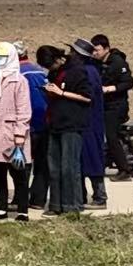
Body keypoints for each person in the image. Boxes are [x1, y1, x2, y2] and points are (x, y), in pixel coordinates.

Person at [0, 43, 35, 220]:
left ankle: (22, 210)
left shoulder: (19, 81)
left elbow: (23, 110)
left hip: (12, 134)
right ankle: (1, 208)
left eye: (1, 56)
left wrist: (19, 135)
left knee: (19, 174)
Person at [38, 44, 92, 215]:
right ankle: (55, 204)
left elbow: (87, 97)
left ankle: (72, 205)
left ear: (58, 59)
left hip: (72, 124)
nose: (50, 69)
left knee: (69, 167)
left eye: (51, 65)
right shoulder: (53, 73)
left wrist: (62, 93)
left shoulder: (77, 71)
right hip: (55, 123)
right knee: (54, 166)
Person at [93, 34, 133, 179]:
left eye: (97, 50)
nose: (95, 53)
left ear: (106, 49)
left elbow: (128, 83)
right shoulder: (96, 63)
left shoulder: (117, 62)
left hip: (116, 106)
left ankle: (124, 170)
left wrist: (111, 88)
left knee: (111, 136)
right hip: (103, 105)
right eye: (93, 50)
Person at [72, 38, 110, 208]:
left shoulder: (87, 72)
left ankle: (100, 196)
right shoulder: (89, 70)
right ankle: (81, 196)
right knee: (83, 159)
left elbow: (88, 96)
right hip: (87, 121)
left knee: (92, 158)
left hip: (90, 122)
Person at [19, 47, 49, 214]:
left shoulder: (17, 74)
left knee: (22, 162)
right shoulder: (41, 72)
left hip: (26, 124)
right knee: (42, 163)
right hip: (44, 122)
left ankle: (20, 197)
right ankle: (38, 199)